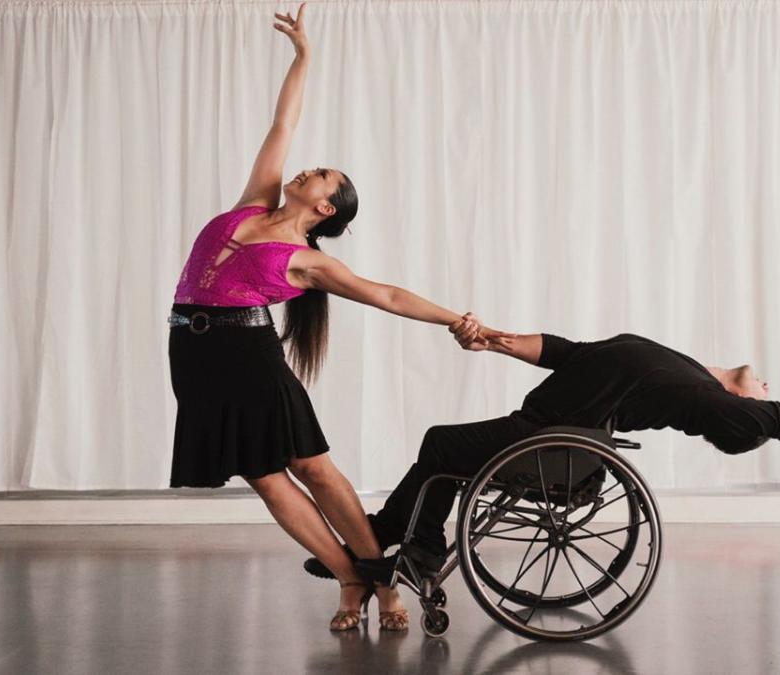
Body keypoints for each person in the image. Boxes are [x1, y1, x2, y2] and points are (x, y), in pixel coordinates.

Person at [167, 4, 497, 632]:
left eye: (321, 175)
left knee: (312, 467)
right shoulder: (253, 204)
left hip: (248, 357)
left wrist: (457, 319)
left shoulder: (308, 262)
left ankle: (386, 585)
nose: (307, 169)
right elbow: (282, 122)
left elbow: (388, 296)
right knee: (264, 478)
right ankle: (351, 578)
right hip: (193, 354)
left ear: (325, 208)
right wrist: (303, 57)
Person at [304, 322, 780, 580]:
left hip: (546, 444)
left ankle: (405, 547)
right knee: (446, 450)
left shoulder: (721, 406)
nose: (768, 385)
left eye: (765, 392)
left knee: (441, 444)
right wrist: (495, 340)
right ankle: (397, 541)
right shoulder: (686, 369)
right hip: (539, 430)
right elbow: (569, 352)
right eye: (764, 388)